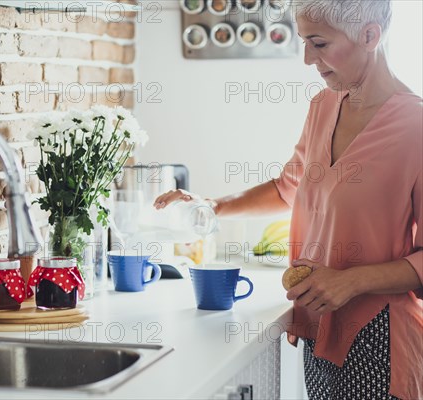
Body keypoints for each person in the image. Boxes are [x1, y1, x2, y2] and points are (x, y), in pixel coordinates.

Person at [153, 1, 422, 398]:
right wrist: (212, 206)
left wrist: (351, 282)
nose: (307, 58)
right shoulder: (323, 106)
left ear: (369, 36)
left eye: (319, 43)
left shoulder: (415, 128)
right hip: (318, 326)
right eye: (304, 42)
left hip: (378, 337)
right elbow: (288, 187)